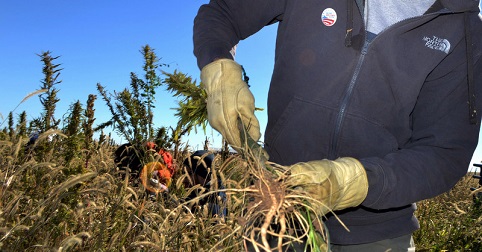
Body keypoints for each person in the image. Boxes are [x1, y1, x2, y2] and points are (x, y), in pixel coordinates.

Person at [193, 0, 482, 251]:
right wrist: (218, 67)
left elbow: (443, 153)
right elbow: (223, 12)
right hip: (276, 211)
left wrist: (355, 180)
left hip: (378, 233)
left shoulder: (463, 28)